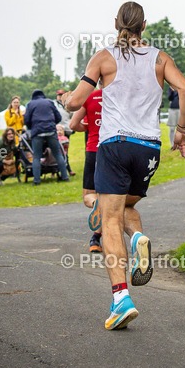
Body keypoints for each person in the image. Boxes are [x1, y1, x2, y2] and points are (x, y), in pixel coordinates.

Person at [61, 0, 185, 330]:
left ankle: (121, 298)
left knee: (108, 219)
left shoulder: (104, 56)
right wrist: (181, 131)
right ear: (144, 26)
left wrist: (66, 99)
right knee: (124, 208)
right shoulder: (161, 58)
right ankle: (136, 237)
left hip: (114, 146)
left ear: (115, 22)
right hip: (148, 148)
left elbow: (75, 101)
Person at [69, 85, 104, 254]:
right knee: (113, 199)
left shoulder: (91, 97)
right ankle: (96, 238)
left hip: (93, 150)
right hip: (115, 150)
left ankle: (96, 204)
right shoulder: (120, 96)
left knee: (88, 196)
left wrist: (88, 127)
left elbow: (73, 124)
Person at [24, 90, 69, 185]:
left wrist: (31, 127)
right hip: (51, 131)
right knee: (57, 153)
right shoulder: (49, 102)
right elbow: (58, 117)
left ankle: (36, 180)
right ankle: (65, 177)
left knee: (36, 156)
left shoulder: (30, 104)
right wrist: (52, 124)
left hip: (37, 132)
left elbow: (26, 119)